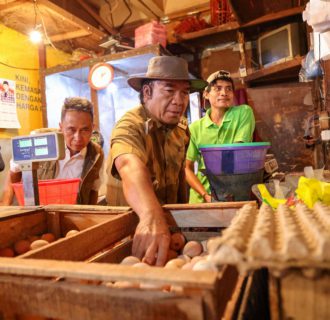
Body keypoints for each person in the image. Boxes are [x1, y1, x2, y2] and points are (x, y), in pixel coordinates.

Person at [106, 56, 207, 266]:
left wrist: (179, 225)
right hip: (130, 235)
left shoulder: (181, 130)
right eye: (169, 90)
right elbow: (129, 165)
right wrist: (151, 216)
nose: (179, 100)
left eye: (185, 92)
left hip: (166, 235)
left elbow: (180, 181)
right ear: (147, 92)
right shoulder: (130, 125)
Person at [1, 97, 104, 205]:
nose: (77, 137)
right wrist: (5, 208)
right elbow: (14, 173)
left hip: (70, 213)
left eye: (85, 130)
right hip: (38, 209)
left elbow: (93, 189)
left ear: (92, 128)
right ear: (61, 127)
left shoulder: (96, 154)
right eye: (71, 129)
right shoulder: (40, 140)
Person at [185, 70, 255, 203]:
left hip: (232, 195)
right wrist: (205, 195)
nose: (224, 93)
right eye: (218, 88)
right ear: (206, 94)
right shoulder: (195, 128)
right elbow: (186, 167)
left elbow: (237, 154)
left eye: (229, 89)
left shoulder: (243, 113)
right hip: (201, 199)